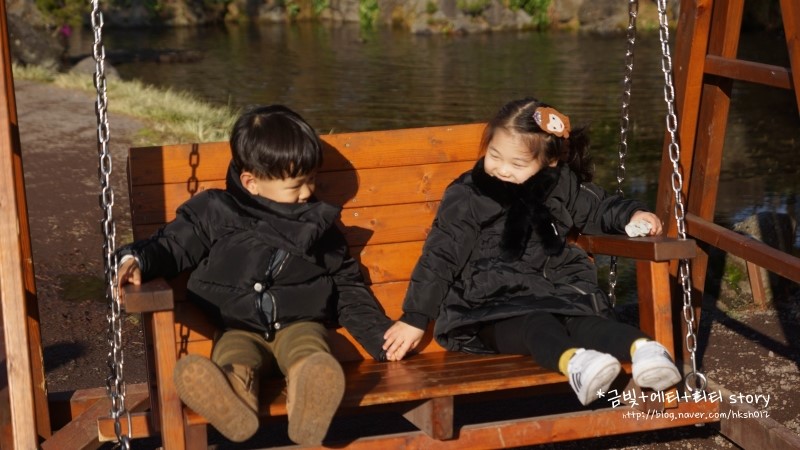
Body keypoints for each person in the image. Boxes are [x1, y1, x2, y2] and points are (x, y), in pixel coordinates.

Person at [117, 104, 395, 444]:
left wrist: (381, 338)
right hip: (238, 328)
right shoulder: (215, 212)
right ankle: (234, 406)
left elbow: (346, 284)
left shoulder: (318, 225)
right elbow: (172, 245)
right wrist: (136, 259)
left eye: (311, 179)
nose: (308, 192)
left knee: (310, 353)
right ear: (251, 182)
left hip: (301, 323)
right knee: (235, 359)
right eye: (296, 185)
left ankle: (310, 399)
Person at [382, 97, 681, 406]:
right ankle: (577, 363)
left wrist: (631, 215)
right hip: (488, 305)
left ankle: (646, 351)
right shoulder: (469, 195)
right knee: (536, 323)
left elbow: (599, 207)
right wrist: (416, 317)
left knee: (582, 320)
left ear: (548, 163)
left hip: (555, 288)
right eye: (494, 155)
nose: (502, 170)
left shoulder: (560, 185)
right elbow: (441, 256)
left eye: (517, 164)